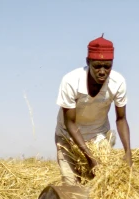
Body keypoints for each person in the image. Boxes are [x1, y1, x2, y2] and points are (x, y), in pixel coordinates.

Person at [55, 35, 131, 184]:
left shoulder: (118, 82)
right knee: (71, 185)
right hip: (68, 138)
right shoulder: (71, 81)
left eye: (107, 66)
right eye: (97, 66)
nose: (102, 72)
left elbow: (121, 119)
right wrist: (90, 157)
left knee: (103, 185)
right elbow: (70, 123)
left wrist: (128, 152)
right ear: (88, 62)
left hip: (99, 138)